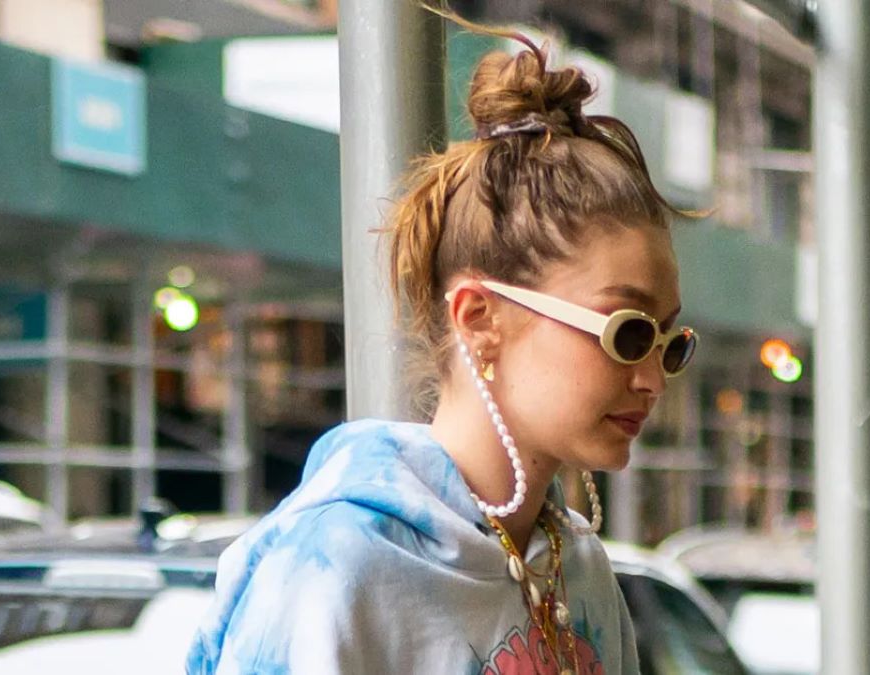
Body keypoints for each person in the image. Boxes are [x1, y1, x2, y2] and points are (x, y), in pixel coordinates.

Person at [186, 11, 699, 675]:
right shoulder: (337, 565)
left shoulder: (582, 567)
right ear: (480, 318)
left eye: (669, 342)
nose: (654, 377)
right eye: (628, 332)